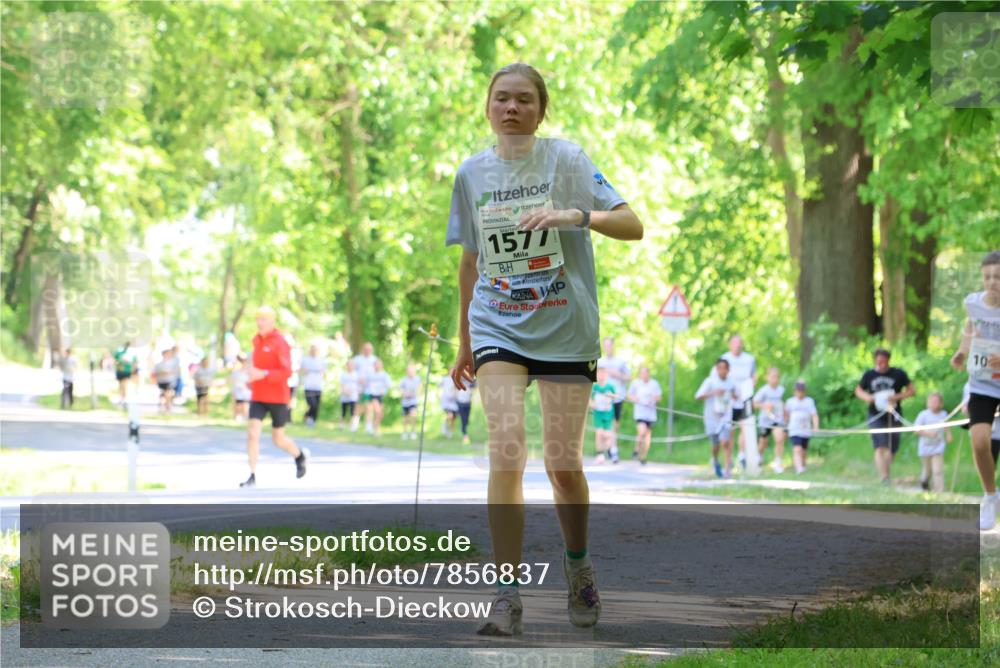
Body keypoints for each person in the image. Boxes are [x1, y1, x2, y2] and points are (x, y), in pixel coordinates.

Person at [446, 62, 643, 636]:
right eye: (502, 98)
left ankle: (578, 565)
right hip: (497, 326)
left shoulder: (568, 161)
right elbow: (470, 260)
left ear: (540, 109)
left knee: (563, 466)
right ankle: (506, 595)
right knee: (506, 449)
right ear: (487, 106)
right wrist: (465, 340)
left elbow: (633, 225)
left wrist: (574, 216)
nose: (512, 108)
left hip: (564, 327)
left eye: (524, 100)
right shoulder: (471, 173)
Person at [950, 250, 1000, 530]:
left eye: (998, 277)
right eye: (987, 276)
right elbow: (970, 330)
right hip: (982, 383)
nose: (992, 282)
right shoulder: (973, 303)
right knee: (979, 441)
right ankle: (990, 497)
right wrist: (961, 352)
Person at [240, 305, 307, 488]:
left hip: (278, 397)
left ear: (272, 322)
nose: (260, 323)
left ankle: (299, 455)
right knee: (252, 434)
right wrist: (252, 379)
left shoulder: (280, 342)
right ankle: (252, 474)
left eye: (264, 320)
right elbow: (257, 368)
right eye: (258, 319)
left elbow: (286, 372)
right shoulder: (256, 341)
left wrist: (264, 374)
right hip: (258, 396)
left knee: (278, 438)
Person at [855, 348, 915, 485]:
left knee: (892, 447)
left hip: (894, 414)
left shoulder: (898, 374)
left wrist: (896, 397)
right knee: (880, 446)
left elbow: (912, 390)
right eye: (878, 361)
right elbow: (858, 390)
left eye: (884, 361)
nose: (881, 364)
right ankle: (884, 477)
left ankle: (886, 472)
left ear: (888, 360)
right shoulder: (869, 375)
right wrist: (868, 397)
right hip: (875, 415)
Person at [717, 335, 757, 469]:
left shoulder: (749, 359)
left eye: (739, 343)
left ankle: (741, 455)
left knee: (746, 427)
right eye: (734, 344)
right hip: (730, 400)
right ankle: (729, 459)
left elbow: (754, 376)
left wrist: (749, 389)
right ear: (730, 345)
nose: (737, 346)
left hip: (745, 398)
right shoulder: (725, 358)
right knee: (730, 430)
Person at [696, 358, 738, 478]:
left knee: (726, 442)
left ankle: (727, 470)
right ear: (716, 369)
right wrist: (713, 393)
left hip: (725, 416)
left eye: (725, 368)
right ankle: (715, 459)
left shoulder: (731, 382)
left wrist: (732, 395)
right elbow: (698, 396)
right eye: (719, 368)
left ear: (728, 370)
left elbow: (737, 396)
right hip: (711, 417)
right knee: (716, 444)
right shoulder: (710, 382)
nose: (722, 371)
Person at [596, 336, 630, 462]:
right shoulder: (600, 362)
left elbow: (628, 377)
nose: (608, 347)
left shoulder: (620, 362)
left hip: (617, 397)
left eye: (610, 345)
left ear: (613, 346)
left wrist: (617, 374)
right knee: (604, 426)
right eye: (606, 345)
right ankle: (609, 450)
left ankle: (611, 449)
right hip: (603, 399)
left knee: (614, 425)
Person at [914, 392, 951, 493]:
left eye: (936, 401)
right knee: (927, 471)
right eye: (932, 401)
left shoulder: (943, 414)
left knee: (937, 470)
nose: (934, 403)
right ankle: (924, 484)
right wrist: (928, 433)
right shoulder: (923, 415)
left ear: (940, 403)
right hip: (925, 448)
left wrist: (948, 434)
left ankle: (939, 490)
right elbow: (916, 430)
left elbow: (946, 425)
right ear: (928, 403)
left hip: (938, 447)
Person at [753, 367, 787, 473]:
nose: (774, 379)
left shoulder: (781, 390)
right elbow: (754, 403)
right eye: (772, 376)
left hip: (777, 419)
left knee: (779, 438)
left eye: (776, 377)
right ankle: (759, 456)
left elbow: (784, 403)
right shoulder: (764, 390)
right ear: (767, 377)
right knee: (763, 442)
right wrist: (765, 405)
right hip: (765, 420)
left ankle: (778, 462)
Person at [626, 366, 661, 465]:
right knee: (642, 431)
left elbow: (659, 397)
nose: (644, 375)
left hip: (650, 414)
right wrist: (634, 398)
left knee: (647, 435)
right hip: (640, 413)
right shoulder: (636, 383)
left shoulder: (654, 384)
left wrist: (653, 399)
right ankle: (636, 449)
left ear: (648, 374)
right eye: (642, 373)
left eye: (646, 373)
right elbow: (629, 395)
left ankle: (643, 456)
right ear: (640, 374)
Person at [785, 380, 819, 474]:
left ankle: (802, 466)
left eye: (801, 390)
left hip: (805, 430)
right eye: (798, 390)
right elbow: (786, 415)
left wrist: (816, 426)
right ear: (795, 391)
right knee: (797, 449)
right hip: (794, 430)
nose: (800, 392)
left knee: (803, 451)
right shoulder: (790, 402)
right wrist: (785, 427)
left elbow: (814, 415)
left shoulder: (809, 401)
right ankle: (799, 468)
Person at [589, 366, 617, 464]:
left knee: (607, 435)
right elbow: (590, 401)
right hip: (598, 414)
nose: (601, 376)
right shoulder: (594, 387)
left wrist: (611, 395)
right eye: (599, 374)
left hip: (608, 414)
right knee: (599, 433)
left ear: (607, 375)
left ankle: (610, 450)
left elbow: (616, 396)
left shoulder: (610, 387)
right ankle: (600, 454)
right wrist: (592, 404)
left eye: (603, 374)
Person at [353, 342, 380, 433]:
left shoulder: (374, 360)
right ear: (363, 349)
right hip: (359, 387)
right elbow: (352, 370)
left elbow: (377, 371)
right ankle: (355, 423)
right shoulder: (357, 359)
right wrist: (358, 378)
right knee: (359, 405)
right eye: (365, 349)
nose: (367, 351)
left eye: (369, 349)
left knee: (369, 406)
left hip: (370, 388)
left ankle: (368, 425)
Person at [299, 344, 328, 427]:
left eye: (316, 350)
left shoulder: (321, 361)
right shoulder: (305, 360)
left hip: (318, 385)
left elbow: (325, 373)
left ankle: (312, 420)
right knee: (312, 404)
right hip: (308, 385)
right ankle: (307, 417)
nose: (314, 351)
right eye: (313, 350)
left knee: (317, 405)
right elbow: (300, 371)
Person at [364, 359, 392, 436]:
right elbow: (366, 384)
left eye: (379, 364)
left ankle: (375, 428)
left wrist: (384, 390)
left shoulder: (384, 375)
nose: (377, 366)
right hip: (371, 395)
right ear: (374, 365)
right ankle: (371, 428)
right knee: (375, 411)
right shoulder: (370, 374)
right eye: (376, 364)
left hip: (379, 395)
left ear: (381, 365)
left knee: (380, 414)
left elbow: (388, 384)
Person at [399, 364, 422, 440]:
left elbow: (419, 389)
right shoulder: (403, 380)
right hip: (405, 401)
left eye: (412, 371)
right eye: (409, 371)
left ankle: (413, 431)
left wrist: (414, 394)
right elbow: (401, 390)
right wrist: (405, 394)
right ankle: (405, 432)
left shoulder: (417, 379)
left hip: (413, 401)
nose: (410, 373)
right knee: (406, 418)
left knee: (413, 415)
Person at [153, 348, 179, 413]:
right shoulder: (158, 364)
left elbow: (176, 371)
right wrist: (162, 373)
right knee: (165, 393)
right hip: (161, 381)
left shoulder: (173, 362)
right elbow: (155, 373)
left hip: (170, 380)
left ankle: (168, 405)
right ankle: (167, 404)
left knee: (168, 393)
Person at [339, 358, 361, 431]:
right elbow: (341, 385)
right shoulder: (343, 375)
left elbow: (359, 385)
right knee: (343, 411)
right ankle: (341, 425)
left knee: (353, 411)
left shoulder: (357, 374)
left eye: (351, 365)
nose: (350, 366)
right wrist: (345, 391)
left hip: (353, 395)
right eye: (349, 365)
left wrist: (357, 393)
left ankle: (353, 426)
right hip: (345, 395)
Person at [113, 341, 137, 406]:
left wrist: (133, 371)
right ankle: (121, 398)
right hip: (120, 371)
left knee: (125, 384)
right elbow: (115, 362)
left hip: (127, 371)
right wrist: (119, 363)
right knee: (121, 385)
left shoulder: (132, 354)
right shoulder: (119, 353)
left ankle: (124, 398)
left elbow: (135, 363)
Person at [454, 376, 475, 445]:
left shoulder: (471, 382)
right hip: (460, 403)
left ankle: (464, 432)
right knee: (463, 419)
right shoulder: (458, 381)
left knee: (466, 420)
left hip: (468, 403)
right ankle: (465, 435)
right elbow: (455, 391)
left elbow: (474, 387)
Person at [230, 354, 251, 421]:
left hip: (246, 390)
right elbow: (233, 380)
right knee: (238, 404)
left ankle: (246, 417)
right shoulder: (236, 372)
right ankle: (238, 417)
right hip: (238, 390)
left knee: (246, 404)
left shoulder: (248, 371)